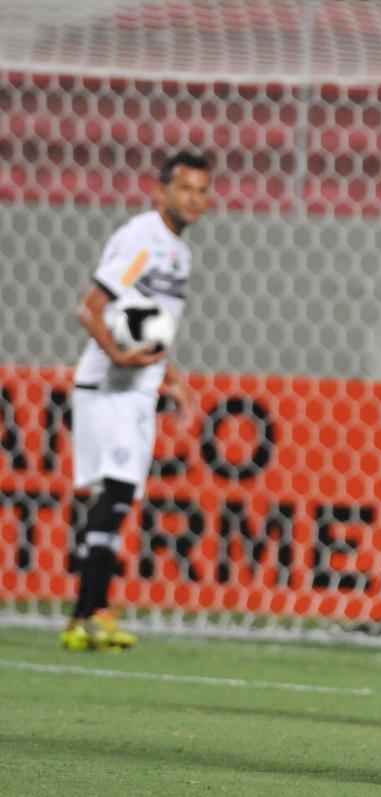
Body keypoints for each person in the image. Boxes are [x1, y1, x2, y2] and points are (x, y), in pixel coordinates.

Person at [60, 151, 208, 652]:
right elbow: (92, 307)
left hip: (136, 390)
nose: (194, 198)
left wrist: (175, 381)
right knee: (118, 493)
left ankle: (89, 612)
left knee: (118, 499)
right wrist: (117, 352)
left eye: (201, 190)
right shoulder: (143, 239)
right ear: (160, 191)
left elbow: (150, 324)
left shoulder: (178, 254)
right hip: (108, 388)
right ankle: (89, 613)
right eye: (184, 188)